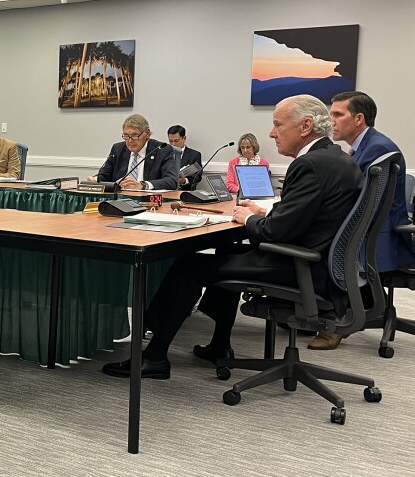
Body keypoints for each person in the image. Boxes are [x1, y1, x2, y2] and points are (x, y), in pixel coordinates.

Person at [101, 95, 364, 380]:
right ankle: (219, 346)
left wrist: (249, 218)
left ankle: (153, 357)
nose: (272, 133)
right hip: (320, 265)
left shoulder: (310, 164)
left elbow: (275, 231)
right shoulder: (337, 159)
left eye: (278, 125)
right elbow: (306, 218)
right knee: (226, 252)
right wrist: (262, 212)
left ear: (305, 126)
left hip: (299, 268)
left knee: (188, 266)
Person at [306, 91, 415, 350]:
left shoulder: (377, 149)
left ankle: (338, 319)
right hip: (375, 231)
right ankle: (316, 313)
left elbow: (357, 205)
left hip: (381, 239)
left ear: (358, 119)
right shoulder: (365, 146)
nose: (331, 120)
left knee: (319, 243)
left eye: (338, 114)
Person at [88, 113, 177, 190]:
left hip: (148, 202)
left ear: (147, 133)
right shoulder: (118, 149)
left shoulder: (161, 150)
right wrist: (95, 179)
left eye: (135, 135)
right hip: (119, 200)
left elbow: (171, 181)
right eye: (126, 135)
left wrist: (143, 185)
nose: (130, 141)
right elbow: (105, 175)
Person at [168, 125, 202, 189]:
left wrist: (184, 181)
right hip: (167, 190)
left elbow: (197, 177)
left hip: (185, 192)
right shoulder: (165, 154)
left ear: (184, 138)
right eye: (170, 141)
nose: (173, 144)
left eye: (176, 141)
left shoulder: (194, 155)